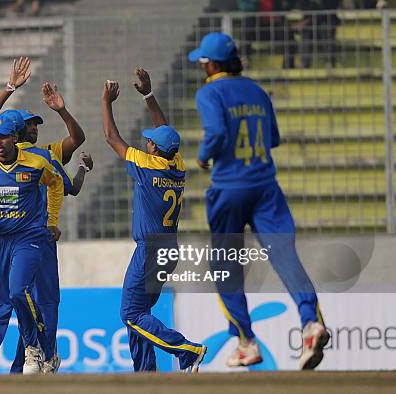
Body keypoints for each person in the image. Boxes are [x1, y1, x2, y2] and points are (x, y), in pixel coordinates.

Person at [188, 32, 329, 369]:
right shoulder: (256, 90)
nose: (202, 67)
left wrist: (204, 155)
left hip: (228, 188)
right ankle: (310, 322)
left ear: (214, 64)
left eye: (204, 62)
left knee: (224, 265)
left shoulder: (209, 92)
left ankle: (246, 341)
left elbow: (217, 133)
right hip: (266, 185)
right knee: (284, 254)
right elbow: (273, 138)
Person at [0, 56, 91, 374]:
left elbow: (76, 142)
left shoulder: (48, 154)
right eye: (28, 123)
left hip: (39, 239)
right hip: (10, 239)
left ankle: (38, 358)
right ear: (14, 130)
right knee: (14, 299)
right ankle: (22, 359)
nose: (34, 127)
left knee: (40, 301)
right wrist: (10, 87)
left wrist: (62, 111)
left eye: (36, 123)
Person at [101, 69, 207, 373]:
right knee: (141, 311)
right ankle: (145, 374)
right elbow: (165, 129)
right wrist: (148, 95)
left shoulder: (147, 166)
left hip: (149, 249)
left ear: (155, 150)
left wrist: (106, 101)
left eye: (150, 142)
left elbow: (111, 137)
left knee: (131, 314)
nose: (147, 143)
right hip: (168, 248)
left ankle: (187, 351)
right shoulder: (177, 165)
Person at [0, 114, 65, 375]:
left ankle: (33, 348)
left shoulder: (37, 163)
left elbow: (57, 184)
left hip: (29, 239)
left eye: (3, 136)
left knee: (18, 290)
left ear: (15, 138)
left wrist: (51, 220)